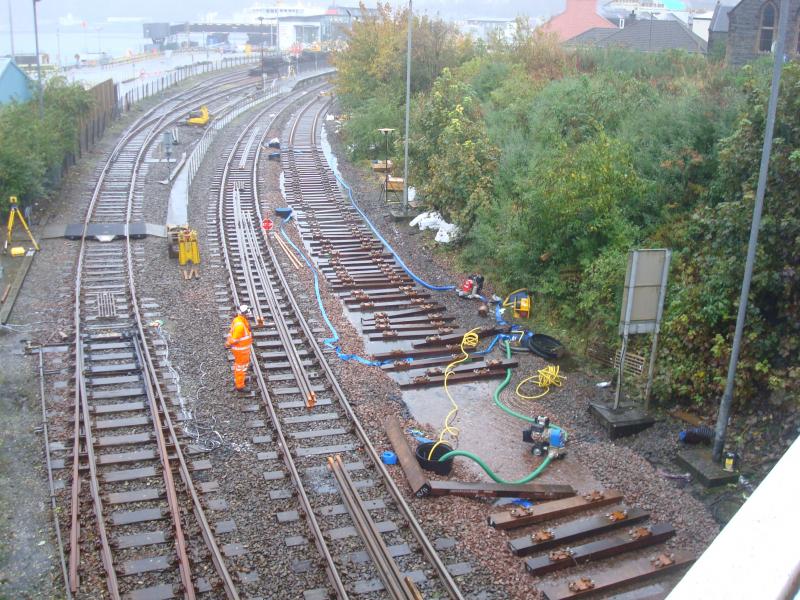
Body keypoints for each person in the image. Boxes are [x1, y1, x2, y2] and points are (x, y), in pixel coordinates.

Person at [225, 304, 253, 391]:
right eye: (248, 313)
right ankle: (240, 385)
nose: (249, 314)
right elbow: (234, 339)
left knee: (242, 366)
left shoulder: (238, 320)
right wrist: (228, 344)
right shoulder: (240, 325)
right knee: (241, 367)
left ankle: (240, 379)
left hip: (242, 349)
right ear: (244, 314)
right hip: (241, 350)